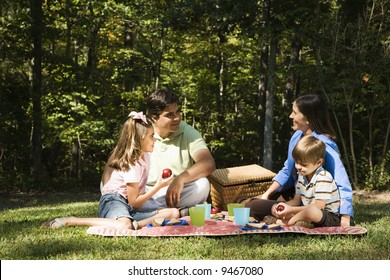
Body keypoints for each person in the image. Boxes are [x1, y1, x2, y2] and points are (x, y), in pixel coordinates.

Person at [41, 111, 179, 230]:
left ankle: (136, 224)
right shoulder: (131, 163)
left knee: (173, 213)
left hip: (130, 205)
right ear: (140, 140)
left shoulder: (146, 156)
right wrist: (159, 186)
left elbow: (137, 200)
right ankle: (71, 220)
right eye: (151, 136)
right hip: (114, 200)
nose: (154, 139)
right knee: (125, 226)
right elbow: (134, 202)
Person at [243, 94, 353, 227]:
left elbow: (342, 182)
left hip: (318, 203)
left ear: (308, 119)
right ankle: (288, 215)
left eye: (295, 112)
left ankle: (290, 218)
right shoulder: (296, 136)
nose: (290, 116)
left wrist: (345, 217)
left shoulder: (323, 145)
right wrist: (266, 195)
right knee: (247, 203)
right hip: (298, 194)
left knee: (254, 206)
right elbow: (287, 170)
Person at [145, 89, 216, 214]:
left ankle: (152, 211)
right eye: (169, 115)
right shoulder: (142, 131)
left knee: (203, 185)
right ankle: (174, 211)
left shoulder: (187, 131)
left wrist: (181, 179)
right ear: (154, 118)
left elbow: (208, 163)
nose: (177, 118)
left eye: (177, 112)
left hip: (177, 190)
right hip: (146, 190)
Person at [271, 135, 341, 228]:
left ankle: (288, 222)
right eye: (296, 163)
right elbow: (296, 201)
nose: (298, 167)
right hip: (307, 212)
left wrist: (291, 210)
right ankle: (302, 222)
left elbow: (318, 206)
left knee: (311, 211)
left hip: (328, 216)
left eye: (303, 164)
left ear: (319, 162)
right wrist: (284, 206)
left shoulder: (323, 177)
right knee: (274, 207)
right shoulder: (302, 175)